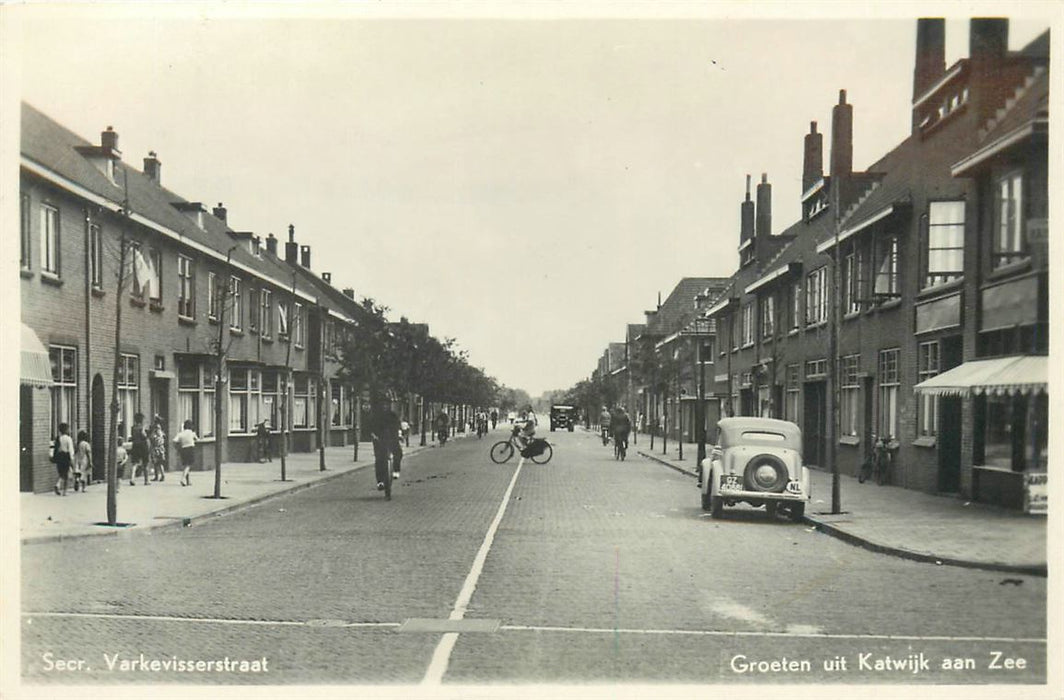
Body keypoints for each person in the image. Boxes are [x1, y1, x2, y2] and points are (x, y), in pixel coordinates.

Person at [368, 399, 402, 491]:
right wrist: (374, 436)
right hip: (380, 440)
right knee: (379, 459)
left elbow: (397, 426)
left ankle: (396, 470)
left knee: (398, 453)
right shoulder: (376, 417)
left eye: (387, 404)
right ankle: (380, 481)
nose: (385, 406)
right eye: (383, 404)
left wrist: (399, 434)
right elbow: (372, 428)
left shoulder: (393, 416)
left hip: (391, 439)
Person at [173, 419, 198, 486]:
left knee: (185, 465)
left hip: (183, 449)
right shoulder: (191, 433)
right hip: (190, 449)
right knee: (188, 465)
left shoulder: (181, 433)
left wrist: (177, 448)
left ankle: (188, 481)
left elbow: (174, 441)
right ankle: (182, 479)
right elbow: (197, 439)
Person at [52, 423, 74, 496]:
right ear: (66, 430)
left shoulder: (58, 438)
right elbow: (70, 450)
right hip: (65, 456)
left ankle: (57, 484)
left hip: (59, 456)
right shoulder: (68, 438)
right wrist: (71, 459)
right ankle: (64, 491)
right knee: (66, 474)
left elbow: (56, 448)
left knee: (61, 473)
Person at [128, 413, 149, 486]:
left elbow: (132, 437)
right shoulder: (142, 427)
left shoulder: (133, 427)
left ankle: (132, 478)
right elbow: (144, 435)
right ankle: (146, 481)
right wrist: (144, 430)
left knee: (135, 463)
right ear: (141, 420)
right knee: (145, 463)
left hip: (135, 445)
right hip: (143, 446)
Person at [149, 417, 167, 481]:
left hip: (157, 448)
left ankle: (161, 475)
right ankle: (159, 475)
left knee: (158, 462)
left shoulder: (157, 430)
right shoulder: (161, 431)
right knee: (157, 463)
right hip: (159, 448)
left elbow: (155, 438)